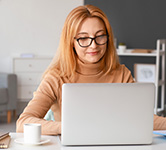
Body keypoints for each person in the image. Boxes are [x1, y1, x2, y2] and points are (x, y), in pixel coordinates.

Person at [16, 5, 166, 135]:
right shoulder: (56, 77)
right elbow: (23, 123)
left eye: (100, 36)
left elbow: (143, 119)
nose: (93, 45)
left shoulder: (122, 74)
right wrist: (69, 128)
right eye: (83, 38)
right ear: (71, 42)